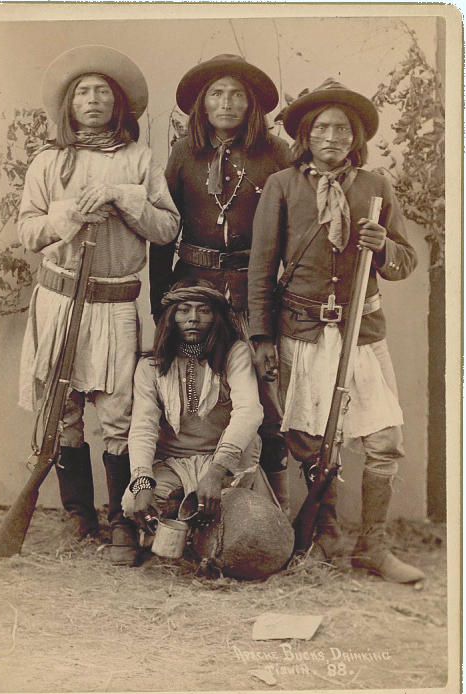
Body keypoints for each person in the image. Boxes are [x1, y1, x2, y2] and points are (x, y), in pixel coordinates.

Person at [248, 78, 425, 583]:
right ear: (306, 136)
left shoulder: (376, 187)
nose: (332, 136)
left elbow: (405, 259)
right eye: (321, 127)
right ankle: (323, 534)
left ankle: (372, 546)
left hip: (360, 332)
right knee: (309, 439)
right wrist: (262, 338)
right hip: (301, 331)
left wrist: (383, 245)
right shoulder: (282, 186)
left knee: (384, 439)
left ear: (355, 138)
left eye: (342, 129)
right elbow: (260, 271)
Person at [17, 45, 180, 564]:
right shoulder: (47, 161)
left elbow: (168, 227)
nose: (92, 100)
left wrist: (122, 196)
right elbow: (26, 230)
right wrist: (68, 215)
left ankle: (121, 522)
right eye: (83, 92)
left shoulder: (140, 160)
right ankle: (76, 517)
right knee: (60, 413)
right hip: (59, 301)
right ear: (69, 104)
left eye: (102, 92)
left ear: (119, 104)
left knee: (117, 415)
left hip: (114, 303)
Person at [149, 54, 293, 516]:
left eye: (236, 95)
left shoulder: (275, 155)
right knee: (192, 394)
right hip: (193, 290)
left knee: (265, 404)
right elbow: (164, 230)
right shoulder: (183, 153)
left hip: (254, 293)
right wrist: (160, 303)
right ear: (203, 106)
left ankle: (272, 515)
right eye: (217, 94)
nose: (226, 103)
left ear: (251, 105)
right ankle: (178, 506)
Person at [121, 279, 264, 563]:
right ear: (170, 317)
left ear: (217, 317)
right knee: (133, 502)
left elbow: (250, 410)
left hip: (224, 461)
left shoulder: (234, 354)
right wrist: (142, 483)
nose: (194, 319)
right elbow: (143, 427)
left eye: (204, 311)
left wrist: (215, 472)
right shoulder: (150, 366)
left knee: (235, 518)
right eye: (184, 310)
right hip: (172, 462)